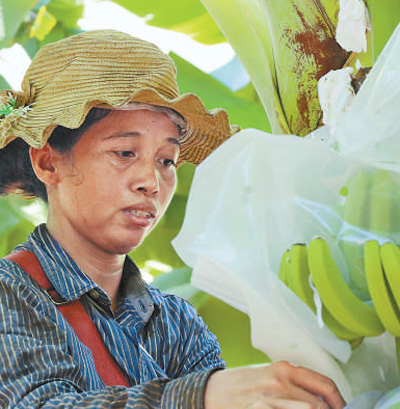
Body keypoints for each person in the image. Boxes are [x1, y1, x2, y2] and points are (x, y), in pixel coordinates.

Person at [0, 30, 346, 408]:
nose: (151, 182)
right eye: (125, 152)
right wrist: (204, 394)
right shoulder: (10, 292)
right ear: (48, 162)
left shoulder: (176, 322)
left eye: (166, 160)